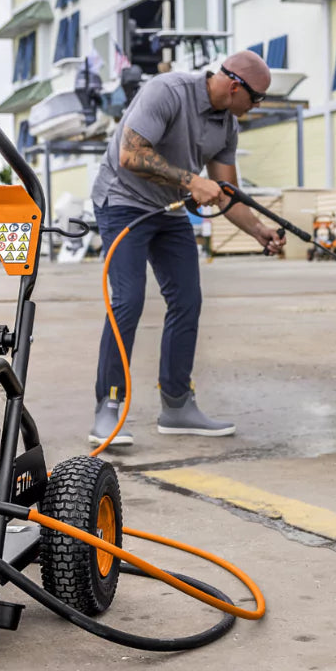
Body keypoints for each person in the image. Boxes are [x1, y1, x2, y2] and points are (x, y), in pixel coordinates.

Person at [88, 50, 286, 447]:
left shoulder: (226, 126)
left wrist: (259, 230)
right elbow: (130, 155)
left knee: (188, 300)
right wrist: (191, 181)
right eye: (257, 97)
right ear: (234, 86)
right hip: (122, 200)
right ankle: (108, 407)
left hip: (167, 207)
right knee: (127, 299)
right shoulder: (167, 91)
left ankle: (177, 405)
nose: (258, 105)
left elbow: (226, 194)